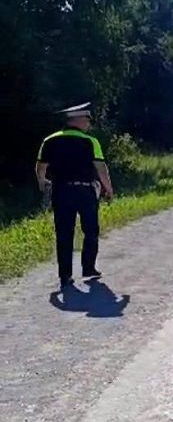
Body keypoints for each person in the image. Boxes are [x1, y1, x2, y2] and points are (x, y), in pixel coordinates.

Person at [35, 102, 115, 287]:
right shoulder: (90, 141)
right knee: (91, 230)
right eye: (87, 120)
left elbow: (41, 165)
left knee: (64, 233)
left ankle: (65, 275)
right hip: (85, 191)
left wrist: (41, 181)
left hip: (61, 191)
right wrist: (108, 189)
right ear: (77, 120)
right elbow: (101, 167)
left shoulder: (50, 140)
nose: (89, 124)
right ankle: (88, 268)